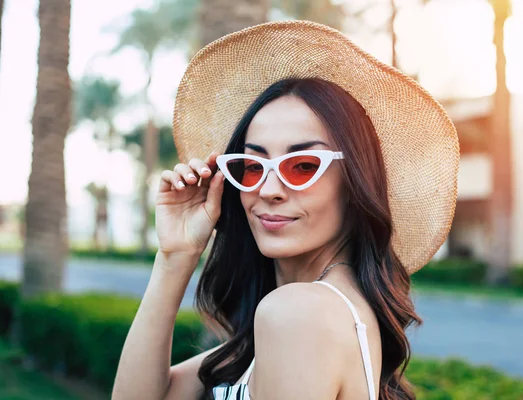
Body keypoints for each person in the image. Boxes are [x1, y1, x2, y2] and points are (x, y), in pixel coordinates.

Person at [112, 21, 459, 400]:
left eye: (304, 166)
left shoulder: (299, 314)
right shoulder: (294, 320)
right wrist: (175, 256)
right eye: (253, 166)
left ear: (355, 183)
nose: (269, 190)